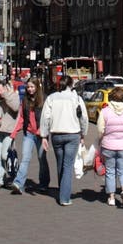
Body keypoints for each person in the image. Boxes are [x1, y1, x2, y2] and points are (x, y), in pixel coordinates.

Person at [40, 75, 88, 206]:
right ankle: (65, 197)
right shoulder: (77, 99)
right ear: (71, 85)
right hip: (73, 134)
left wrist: (44, 136)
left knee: (60, 164)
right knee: (68, 166)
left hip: (56, 134)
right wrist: (83, 133)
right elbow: (83, 117)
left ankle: (62, 190)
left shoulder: (51, 98)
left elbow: (45, 118)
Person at [97, 85, 123, 207]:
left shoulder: (105, 111)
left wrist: (101, 139)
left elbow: (100, 129)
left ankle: (111, 197)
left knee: (110, 171)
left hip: (108, 146)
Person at [9, 77, 49, 194]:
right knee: (25, 158)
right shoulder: (25, 100)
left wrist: (44, 130)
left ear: (37, 87)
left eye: (32, 87)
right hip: (29, 134)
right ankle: (18, 183)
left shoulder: (44, 100)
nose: (30, 89)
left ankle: (44, 183)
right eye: (28, 87)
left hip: (41, 135)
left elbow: (48, 117)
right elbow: (21, 117)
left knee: (42, 159)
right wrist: (14, 132)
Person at [0, 79, 20, 189]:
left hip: (9, 129)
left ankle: (13, 175)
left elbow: (15, 107)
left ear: (5, 87)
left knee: (6, 155)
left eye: (1, 89)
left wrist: (5, 95)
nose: (0, 92)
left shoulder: (12, 95)